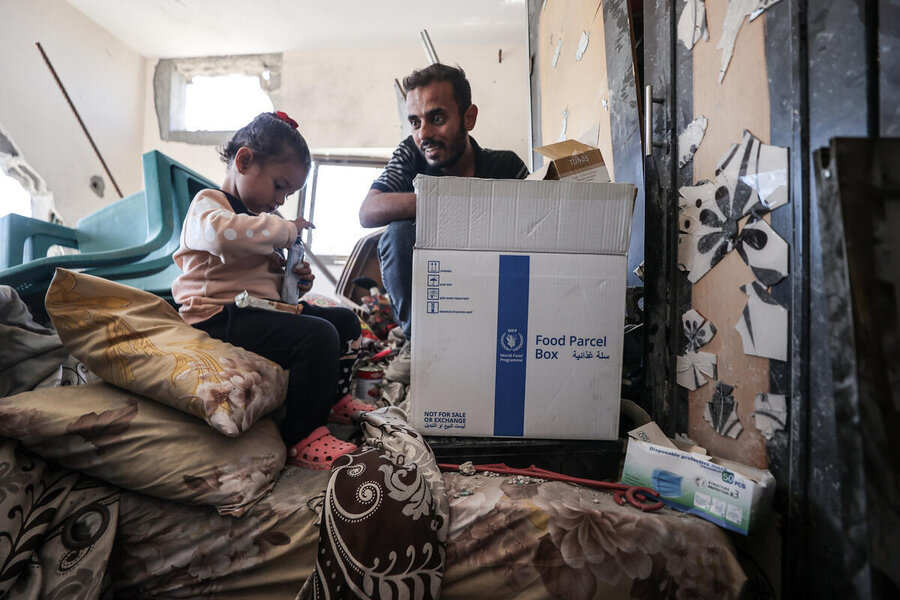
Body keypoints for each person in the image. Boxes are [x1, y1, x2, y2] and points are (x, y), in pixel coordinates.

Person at [172, 111, 376, 470]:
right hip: (215, 315)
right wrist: (285, 230)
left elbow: (266, 284)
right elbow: (222, 236)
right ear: (244, 161)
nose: (281, 201)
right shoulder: (209, 205)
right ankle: (303, 436)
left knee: (344, 321)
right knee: (317, 337)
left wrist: (295, 280)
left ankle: (335, 400)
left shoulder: (253, 222)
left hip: (254, 308)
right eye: (280, 186)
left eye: (290, 193)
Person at [359, 63, 529, 382]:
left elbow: (542, 233)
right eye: (415, 121)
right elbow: (369, 211)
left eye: (437, 118)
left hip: (491, 296)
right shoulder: (412, 154)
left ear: (469, 117)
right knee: (396, 233)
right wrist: (449, 200)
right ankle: (416, 340)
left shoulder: (504, 166)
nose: (424, 133)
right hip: (431, 299)